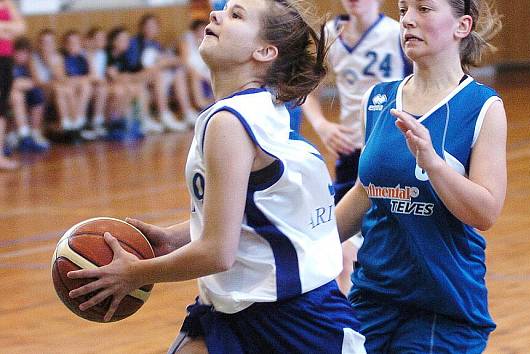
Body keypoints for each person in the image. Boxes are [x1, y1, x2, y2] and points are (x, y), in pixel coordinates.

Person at [67, 1, 366, 353]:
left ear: (265, 51)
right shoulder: (264, 107)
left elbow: (217, 252)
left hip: (292, 322)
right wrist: (173, 237)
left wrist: (134, 274)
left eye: (236, 15)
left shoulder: (230, 121)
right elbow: (252, 210)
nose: (215, 14)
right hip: (237, 306)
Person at [334, 0, 506, 352]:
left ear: (462, 26)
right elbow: (366, 193)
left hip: (443, 306)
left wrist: (434, 164)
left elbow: (486, 212)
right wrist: (296, 237)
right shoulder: (378, 98)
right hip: (371, 298)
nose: (408, 20)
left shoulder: (483, 107)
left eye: (424, 9)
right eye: (402, 10)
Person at [301, 0, 410, 295]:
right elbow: (307, 88)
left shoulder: (397, 33)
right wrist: (322, 126)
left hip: (391, 148)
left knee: (388, 232)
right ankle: (349, 310)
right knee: (342, 239)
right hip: (351, 148)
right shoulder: (332, 32)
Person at [11, 36, 49, 152]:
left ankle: (35, 132)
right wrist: (21, 84)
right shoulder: (7, 63)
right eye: (20, 53)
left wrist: (27, 82)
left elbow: (37, 82)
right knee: (17, 95)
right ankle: (23, 135)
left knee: (38, 93)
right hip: (10, 95)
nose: (23, 56)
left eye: (26, 53)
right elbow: (8, 84)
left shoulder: (29, 63)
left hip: (26, 92)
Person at [0, 0, 24, 170]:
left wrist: (2, 28)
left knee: (0, 109)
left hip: (4, 60)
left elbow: (21, 27)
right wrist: (8, 28)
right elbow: (13, 28)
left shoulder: (6, 2)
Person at [179, 19, 214, 112]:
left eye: (204, 30)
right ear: (194, 30)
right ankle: (201, 104)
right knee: (196, 75)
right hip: (187, 69)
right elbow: (184, 61)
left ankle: (217, 100)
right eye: (200, 30)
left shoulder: (208, 39)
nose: (202, 32)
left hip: (203, 68)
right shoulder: (186, 39)